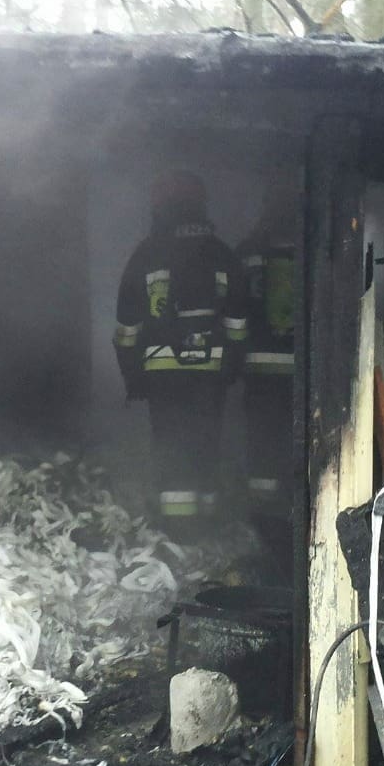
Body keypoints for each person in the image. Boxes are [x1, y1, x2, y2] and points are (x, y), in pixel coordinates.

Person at [114, 171, 247, 537]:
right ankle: (207, 529)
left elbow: (127, 327)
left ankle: (178, 530)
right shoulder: (221, 254)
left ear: (159, 207)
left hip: (163, 376)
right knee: (206, 443)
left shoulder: (145, 255)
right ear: (200, 205)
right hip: (210, 374)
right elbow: (238, 321)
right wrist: (231, 365)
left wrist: (132, 375)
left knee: (171, 447)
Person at [236, 181, 296, 539]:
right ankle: (296, 508)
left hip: (258, 366)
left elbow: (233, 306)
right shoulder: (309, 245)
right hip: (298, 366)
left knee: (262, 440)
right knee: (296, 436)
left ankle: (262, 517)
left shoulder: (249, 250)